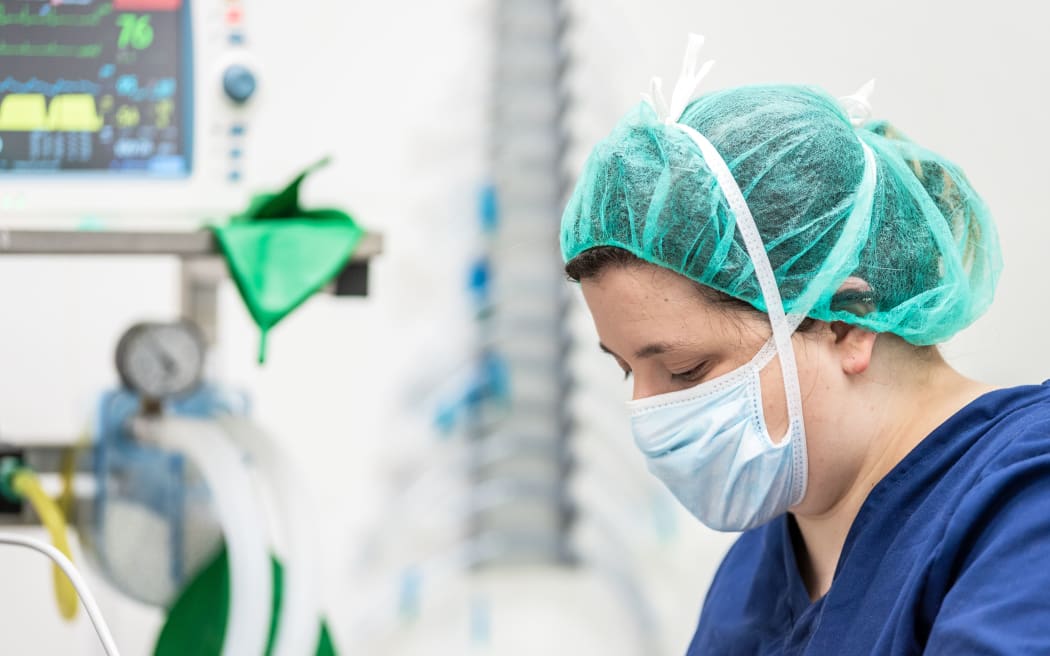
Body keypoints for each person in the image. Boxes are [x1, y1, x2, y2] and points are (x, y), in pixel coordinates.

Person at [561, 35, 1050, 654]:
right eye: (626, 370)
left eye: (684, 370)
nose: (646, 412)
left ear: (845, 322)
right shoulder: (753, 576)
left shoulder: (1023, 506)